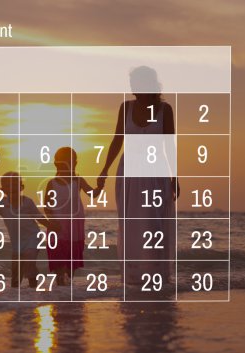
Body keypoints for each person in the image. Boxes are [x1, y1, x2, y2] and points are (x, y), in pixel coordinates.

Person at [98, 66, 179, 285]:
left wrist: (175, 177)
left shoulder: (165, 110)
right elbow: (117, 140)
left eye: (136, 82)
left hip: (156, 173)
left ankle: (156, 277)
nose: (132, 87)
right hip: (130, 174)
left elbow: (169, 145)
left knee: (153, 224)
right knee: (131, 225)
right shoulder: (126, 108)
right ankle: (134, 277)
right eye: (131, 83)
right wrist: (104, 170)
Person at [0, 172, 57, 288]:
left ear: (21, 187)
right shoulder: (2, 204)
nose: (12, 187)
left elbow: (38, 217)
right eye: (8, 185)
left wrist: (51, 226)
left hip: (33, 237)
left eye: (15, 185)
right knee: (16, 271)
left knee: (29, 259)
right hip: (16, 243)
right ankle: (14, 294)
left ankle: (33, 289)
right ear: (3, 190)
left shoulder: (27, 202)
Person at [45, 147, 103, 285]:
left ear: (75, 163)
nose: (67, 165)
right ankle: (61, 291)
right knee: (60, 265)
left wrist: (100, 186)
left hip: (74, 229)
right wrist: (52, 221)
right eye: (63, 162)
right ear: (56, 164)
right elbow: (47, 206)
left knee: (70, 268)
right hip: (57, 227)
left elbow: (93, 194)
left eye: (70, 162)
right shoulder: (51, 183)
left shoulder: (78, 180)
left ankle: (68, 298)